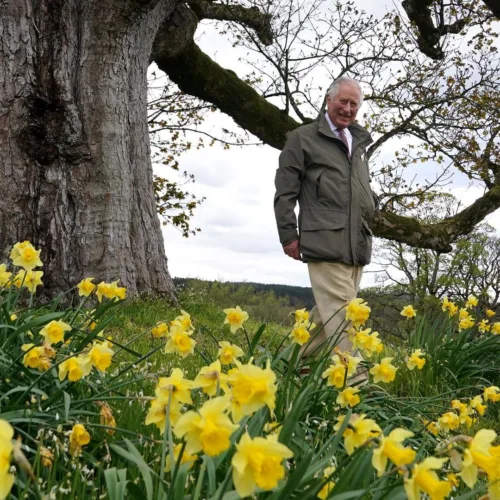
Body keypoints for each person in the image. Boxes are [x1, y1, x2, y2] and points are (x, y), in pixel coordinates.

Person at [274, 76, 376, 361]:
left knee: (325, 318)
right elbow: (285, 192)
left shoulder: (358, 142)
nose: (348, 109)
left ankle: (293, 367)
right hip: (323, 240)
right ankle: (356, 387)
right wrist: (288, 235)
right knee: (345, 317)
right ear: (328, 100)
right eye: (343, 101)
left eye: (354, 104)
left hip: (357, 243)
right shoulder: (302, 138)